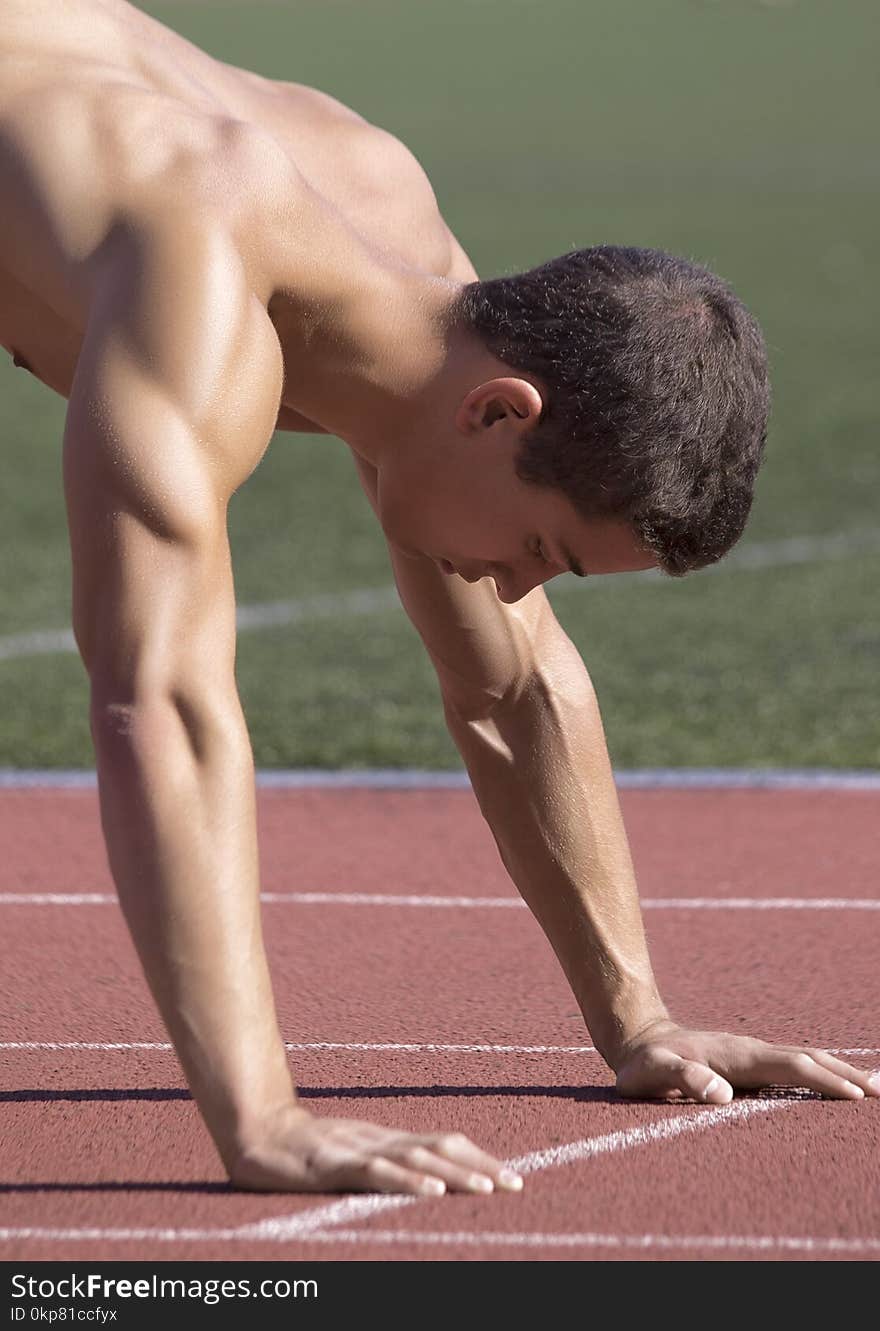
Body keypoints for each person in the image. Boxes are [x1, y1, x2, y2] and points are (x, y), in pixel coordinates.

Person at [2, 0, 876, 1199]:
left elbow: (515, 683)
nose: (514, 585)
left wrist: (641, 1022)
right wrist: (264, 1115)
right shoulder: (197, 264)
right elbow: (159, 700)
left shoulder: (393, 232)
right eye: (537, 547)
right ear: (501, 410)